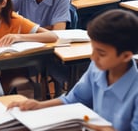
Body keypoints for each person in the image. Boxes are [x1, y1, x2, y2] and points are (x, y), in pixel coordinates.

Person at [8, 9, 138, 131]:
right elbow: (74, 99)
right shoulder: (96, 69)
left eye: (102, 53)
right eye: (93, 49)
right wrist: (39, 105)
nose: (93, 57)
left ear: (126, 56)